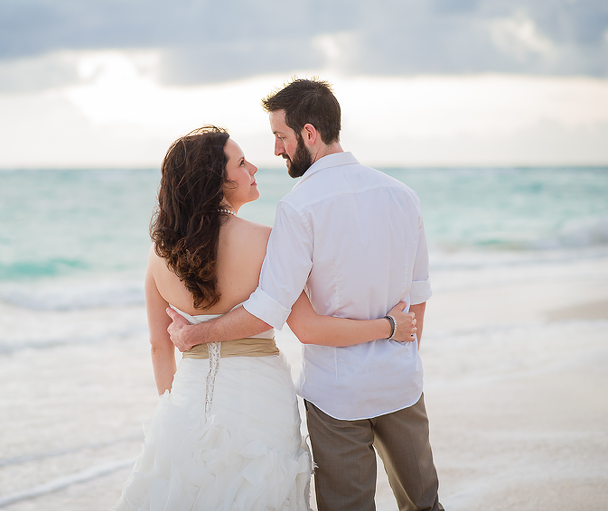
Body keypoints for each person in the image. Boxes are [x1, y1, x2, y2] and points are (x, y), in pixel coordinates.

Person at [167, 80, 444, 511]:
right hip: (401, 385)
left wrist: (195, 337)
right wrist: (400, 353)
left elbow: (270, 310)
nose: (277, 150)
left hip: (336, 396)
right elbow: (419, 296)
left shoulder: (298, 208)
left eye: (281, 136)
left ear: (309, 134)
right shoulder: (403, 196)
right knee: (424, 505)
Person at [114, 126, 417, 510]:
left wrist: (172, 416)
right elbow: (308, 328)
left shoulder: (159, 255)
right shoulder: (265, 241)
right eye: (241, 163)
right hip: (258, 398)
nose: (255, 166)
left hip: (186, 400)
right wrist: (388, 327)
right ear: (216, 181)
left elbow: (160, 346)